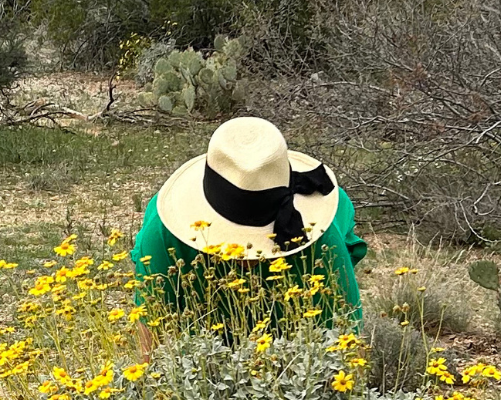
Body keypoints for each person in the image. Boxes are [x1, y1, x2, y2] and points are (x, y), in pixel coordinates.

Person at [131, 117, 367, 355]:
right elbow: (150, 338)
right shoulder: (164, 235)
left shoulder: (317, 237)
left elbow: (346, 333)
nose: (248, 259)